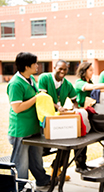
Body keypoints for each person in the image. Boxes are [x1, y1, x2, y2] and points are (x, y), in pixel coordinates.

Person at [7, 52, 51, 191]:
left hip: (33, 128)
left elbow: (38, 97)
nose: (37, 66)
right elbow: (17, 108)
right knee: (21, 163)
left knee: (37, 158)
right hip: (21, 130)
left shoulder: (30, 78)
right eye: (35, 64)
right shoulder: (15, 84)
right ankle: (20, 187)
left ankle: (42, 180)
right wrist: (37, 98)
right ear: (27, 66)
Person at [38, 59, 80, 178]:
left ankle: (56, 169)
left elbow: (75, 100)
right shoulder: (44, 78)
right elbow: (42, 97)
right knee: (43, 151)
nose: (62, 71)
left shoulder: (67, 84)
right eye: (60, 68)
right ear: (54, 68)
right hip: (43, 120)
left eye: (65, 69)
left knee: (67, 144)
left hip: (56, 121)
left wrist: (74, 109)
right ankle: (42, 177)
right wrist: (58, 107)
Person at [74, 62, 104, 167]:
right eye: (90, 70)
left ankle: (84, 164)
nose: (92, 72)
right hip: (81, 116)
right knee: (82, 142)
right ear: (84, 71)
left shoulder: (89, 81)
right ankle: (80, 165)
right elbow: (93, 87)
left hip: (90, 115)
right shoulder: (79, 83)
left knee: (88, 141)